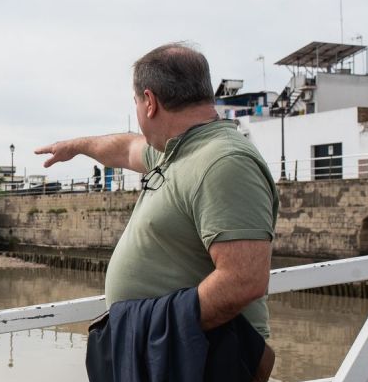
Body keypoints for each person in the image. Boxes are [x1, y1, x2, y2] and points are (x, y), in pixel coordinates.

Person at [34, 42, 277, 336]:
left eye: (135, 102)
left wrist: (149, 333)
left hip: (198, 364)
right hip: (171, 359)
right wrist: (75, 147)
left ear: (149, 102)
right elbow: (125, 149)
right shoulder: (176, 151)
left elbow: (244, 280)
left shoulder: (224, 162)